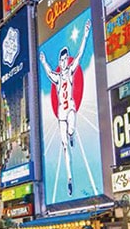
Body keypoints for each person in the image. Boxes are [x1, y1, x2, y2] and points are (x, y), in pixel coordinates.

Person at [39, 19, 92, 196]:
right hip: (61, 112)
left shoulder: (70, 71)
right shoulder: (57, 76)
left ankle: (72, 134)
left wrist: (85, 34)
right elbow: (48, 72)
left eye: (64, 59)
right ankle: (69, 179)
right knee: (64, 146)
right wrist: (44, 61)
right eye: (61, 60)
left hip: (70, 108)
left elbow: (80, 54)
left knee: (71, 130)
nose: (63, 62)